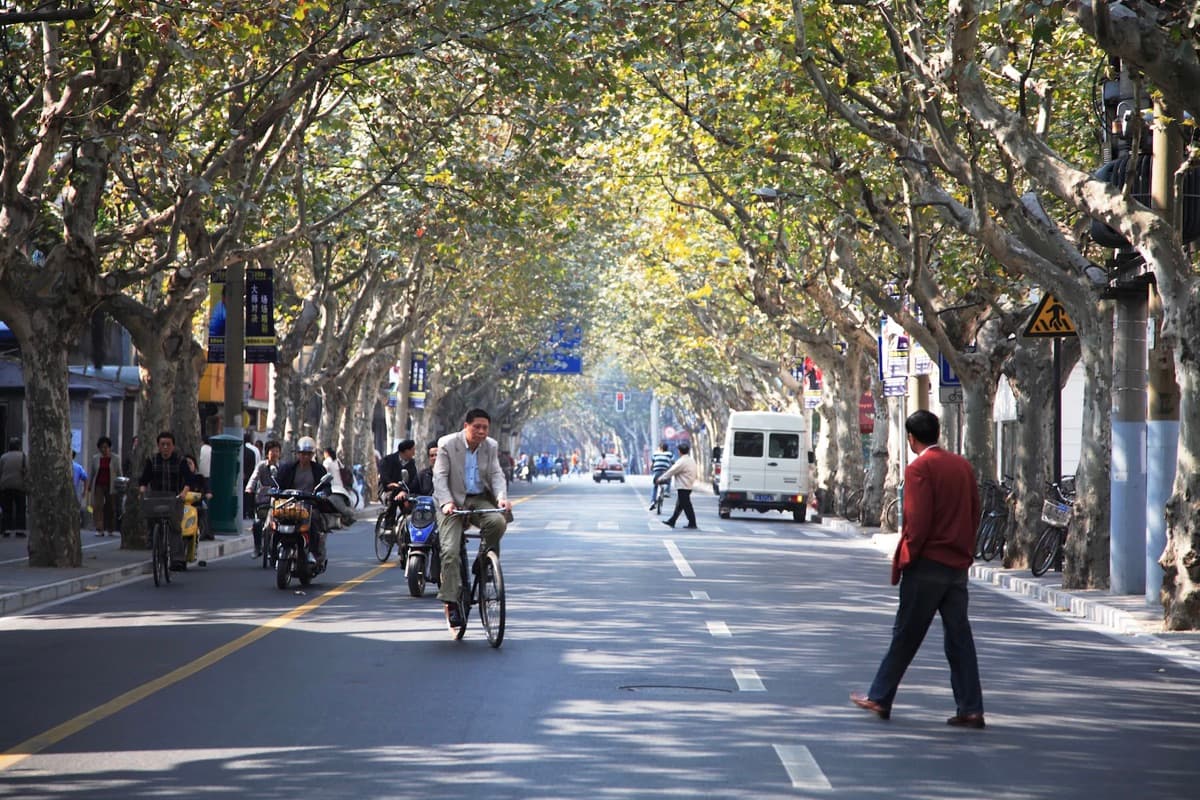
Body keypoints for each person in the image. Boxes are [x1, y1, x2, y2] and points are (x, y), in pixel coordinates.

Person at [851, 410, 985, 729]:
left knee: (906, 634)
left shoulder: (919, 468)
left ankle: (880, 697)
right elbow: (975, 512)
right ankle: (971, 707)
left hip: (927, 564)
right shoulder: (963, 466)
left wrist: (907, 557)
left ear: (911, 438)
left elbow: (918, 522)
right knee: (959, 638)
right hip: (957, 566)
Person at [432, 409, 512, 630]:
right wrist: (447, 502)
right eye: (477, 426)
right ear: (465, 426)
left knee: (497, 521)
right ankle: (451, 602)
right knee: (449, 552)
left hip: (478, 498)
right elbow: (439, 477)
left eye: (485, 427)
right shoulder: (447, 444)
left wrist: (501, 498)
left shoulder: (491, 446)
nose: (481, 431)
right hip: (451, 501)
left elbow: (496, 475)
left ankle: (484, 561)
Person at [138, 431, 197, 571]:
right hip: (156, 498)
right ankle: (154, 544)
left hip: (174, 498)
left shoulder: (181, 461)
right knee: (153, 522)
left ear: (173, 446)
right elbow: (144, 479)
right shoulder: (152, 460)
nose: (165, 447)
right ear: (158, 446)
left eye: (168, 444)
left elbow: (189, 479)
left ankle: (177, 559)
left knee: (175, 527)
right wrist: (142, 490)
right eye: (162, 444)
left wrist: (183, 493)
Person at [274, 436, 329, 564]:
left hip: (309, 504)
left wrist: (323, 493)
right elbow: (278, 484)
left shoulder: (319, 469)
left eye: (308, 454)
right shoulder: (288, 468)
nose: (305, 457)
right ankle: (273, 550)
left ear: (312, 455)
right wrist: (275, 490)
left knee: (314, 520)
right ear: (298, 454)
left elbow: (326, 486)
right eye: (302, 454)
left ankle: (312, 552)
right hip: (289, 503)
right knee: (276, 520)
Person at [245, 439, 281, 557]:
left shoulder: (282, 467)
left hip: (278, 500)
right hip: (262, 499)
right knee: (257, 523)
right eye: (272, 451)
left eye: (277, 451)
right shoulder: (261, 465)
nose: (274, 454)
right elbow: (254, 478)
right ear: (267, 453)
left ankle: (277, 549)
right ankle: (257, 547)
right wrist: (250, 488)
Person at [86, 436, 122, 537]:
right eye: (102, 447)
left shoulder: (115, 458)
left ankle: (110, 528)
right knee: (98, 506)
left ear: (110, 447)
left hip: (111, 486)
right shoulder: (95, 458)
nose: (104, 449)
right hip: (99, 485)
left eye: (106, 447)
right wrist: (89, 485)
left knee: (111, 507)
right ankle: (99, 528)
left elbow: (119, 472)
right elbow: (92, 473)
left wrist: (121, 485)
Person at [656, 441, 697, 529]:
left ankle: (692, 523)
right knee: (680, 505)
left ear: (679, 451)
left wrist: (661, 479)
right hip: (688, 485)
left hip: (683, 486)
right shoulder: (691, 460)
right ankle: (672, 521)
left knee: (686, 506)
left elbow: (671, 471)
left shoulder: (682, 461)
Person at [378, 439, 419, 526]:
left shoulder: (411, 463)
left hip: (404, 490)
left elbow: (413, 479)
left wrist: (405, 490)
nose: (414, 452)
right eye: (413, 450)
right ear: (406, 451)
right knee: (392, 499)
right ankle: (389, 524)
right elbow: (383, 475)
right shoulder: (388, 460)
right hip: (388, 490)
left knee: (412, 505)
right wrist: (390, 483)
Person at [0, 437, 28, 537]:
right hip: (19, 486)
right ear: (19, 446)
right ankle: (20, 529)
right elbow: (27, 471)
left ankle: (6, 529)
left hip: (5, 485)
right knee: (20, 508)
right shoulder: (23, 457)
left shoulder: (3, 457)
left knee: (7, 508)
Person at [182, 454, 214, 539]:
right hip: (182, 504)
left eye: (190, 463)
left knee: (203, 510)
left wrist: (207, 494)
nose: (188, 466)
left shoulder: (199, 478)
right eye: (185, 464)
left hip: (196, 503)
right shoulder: (180, 478)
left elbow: (207, 489)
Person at [321, 446, 354, 527]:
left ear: (326, 453)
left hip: (333, 488)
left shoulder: (327, 462)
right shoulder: (337, 461)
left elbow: (323, 472)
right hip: (341, 488)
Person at [648, 443, 674, 510]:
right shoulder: (669, 454)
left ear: (660, 448)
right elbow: (673, 462)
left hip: (657, 472)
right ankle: (667, 491)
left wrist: (652, 469)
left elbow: (652, 464)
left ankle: (653, 501)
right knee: (669, 478)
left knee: (655, 486)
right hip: (665, 472)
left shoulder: (655, 454)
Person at [243, 433, 260, 519]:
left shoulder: (242, 450)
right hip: (251, 475)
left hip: (244, 476)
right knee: (250, 495)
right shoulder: (254, 450)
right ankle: (249, 512)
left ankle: (244, 512)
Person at [71, 451, 89, 529]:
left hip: (74, 492)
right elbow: (86, 479)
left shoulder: (77, 467)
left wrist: (85, 491)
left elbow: (85, 478)